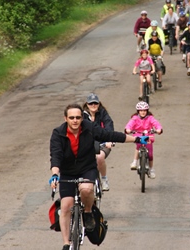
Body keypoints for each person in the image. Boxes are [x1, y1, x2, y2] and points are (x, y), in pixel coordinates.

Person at [49, 103, 147, 250]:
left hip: (87, 168)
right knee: (65, 206)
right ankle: (66, 243)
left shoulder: (89, 128)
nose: (75, 120)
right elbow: (55, 156)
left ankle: (87, 212)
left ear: (82, 118)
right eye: (71, 118)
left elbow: (110, 135)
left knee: (87, 189)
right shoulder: (58, 133)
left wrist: (137, 139)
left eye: (78, 117)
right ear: (65, 118)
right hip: (67, 171)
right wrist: (55, 174)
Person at [82, 93, 113, 191]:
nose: (93, 105)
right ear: (87, 105)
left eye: (95, 103)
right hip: (87, 144)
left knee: (99, 157)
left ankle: (104, 179)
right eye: (91, 104)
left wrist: (109, 140)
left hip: (102, 143)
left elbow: (109, 125)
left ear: (99, 104)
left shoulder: (103, 113)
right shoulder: (82, 116)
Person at [125, 101, 163, 179]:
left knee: (150, 154)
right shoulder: (135, 118)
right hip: (138, 135)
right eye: (141, 111)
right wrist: (128, 129)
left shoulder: (150, 118)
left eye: (144, 111)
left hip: (149, 136)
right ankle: (135, 162)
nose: (143, 112)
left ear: (147, 111)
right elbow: (130, 125)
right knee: (138, 145)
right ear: (138, 111)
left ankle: (151, 169)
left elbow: (156, 123)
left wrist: (158, 129)